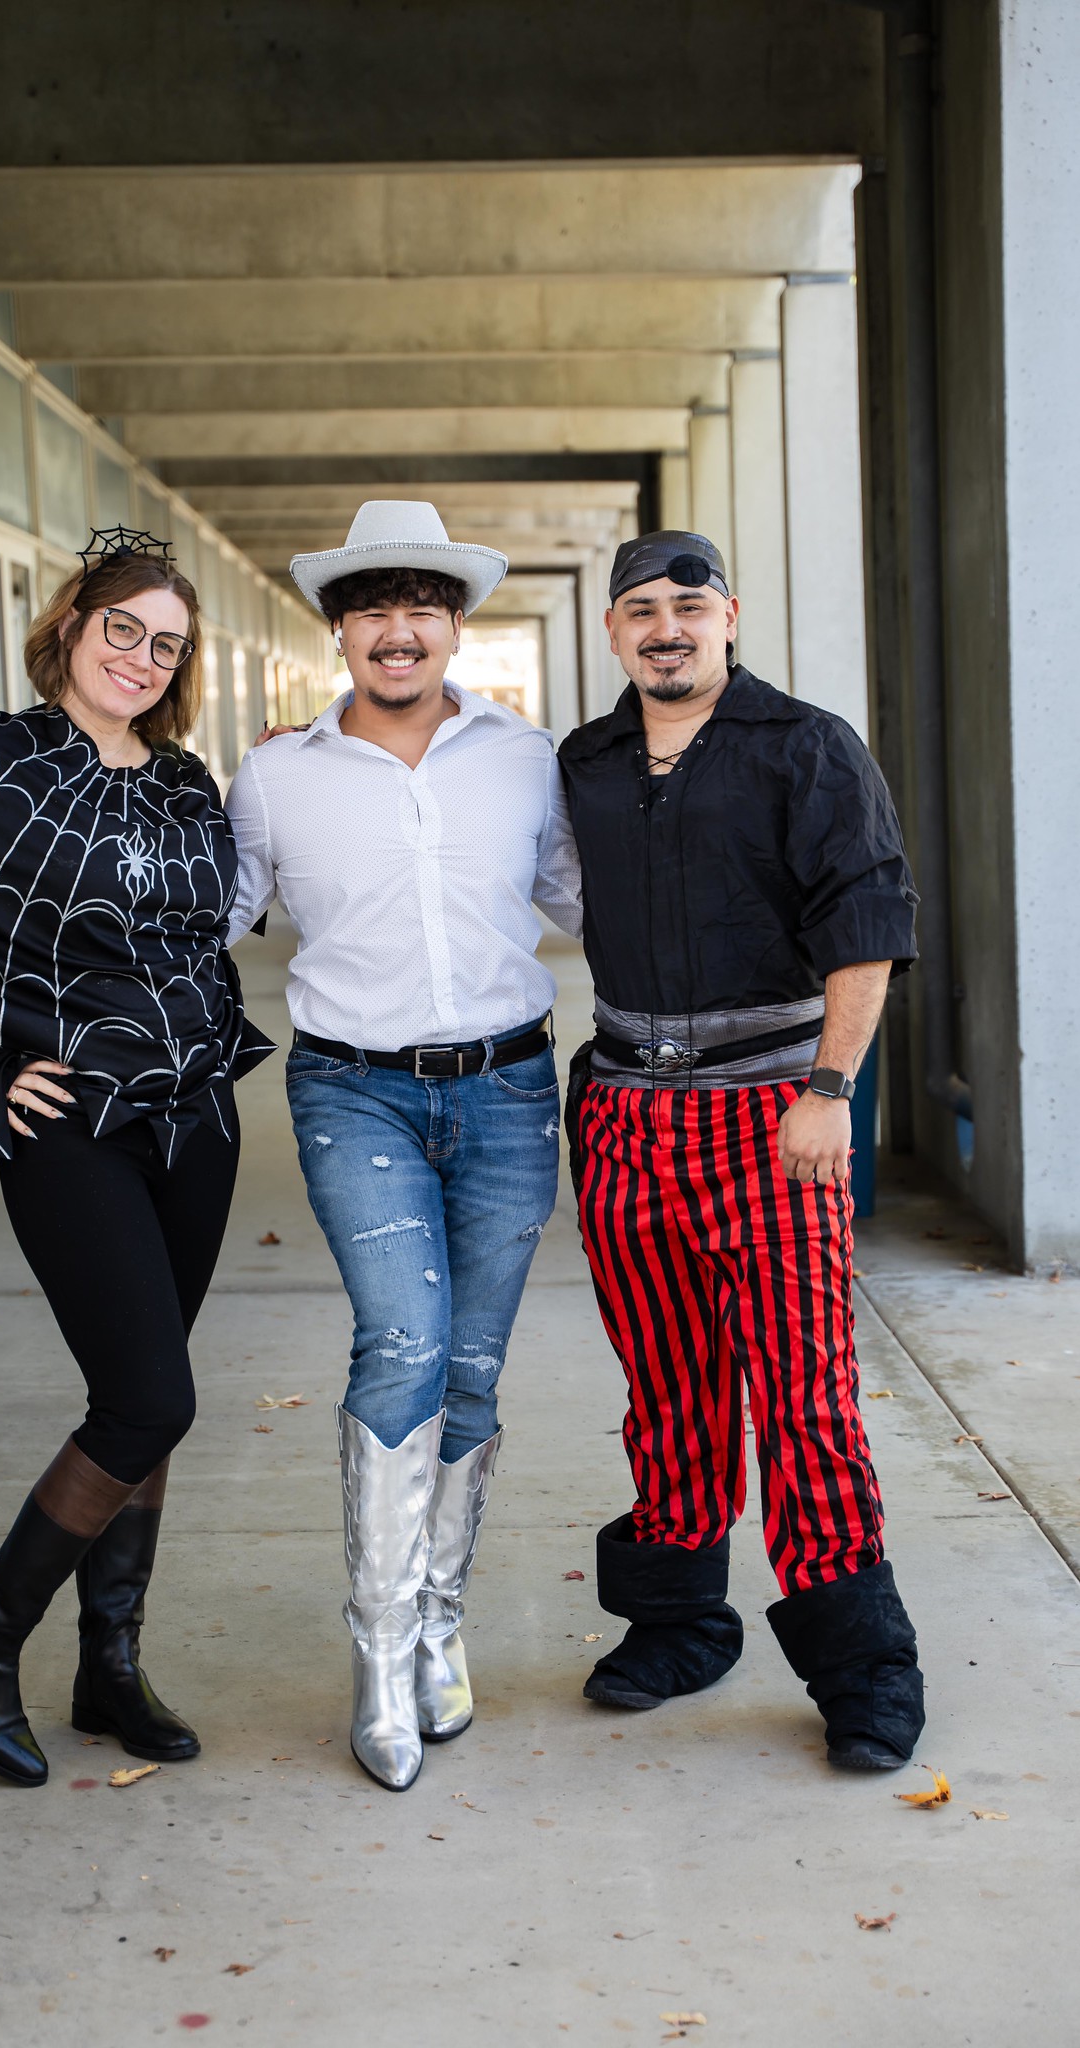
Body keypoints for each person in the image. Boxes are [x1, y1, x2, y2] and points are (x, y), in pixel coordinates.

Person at [0, 527, 269, 1788]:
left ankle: (108, 1664)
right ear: (72, 627)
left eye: (167, 642)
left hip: (196, 1117)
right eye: (122, 628)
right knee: (150, 1398)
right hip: (70, 1125)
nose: (142, 656)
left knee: (143, 1401)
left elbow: (212, 924)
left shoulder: (184, 780)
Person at [225, 500, 581, 1790]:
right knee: (407, 1344)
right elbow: (204, 918)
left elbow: (596, 898)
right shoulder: (276, 775)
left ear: (456, 624)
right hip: (354, 1093)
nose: (397, 626)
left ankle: (439, 1622)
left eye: (421, 603)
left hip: (507, 1093)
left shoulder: (527, 759)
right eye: (370, 604)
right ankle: (378, 1653)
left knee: (473, 1369)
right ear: (338, 629)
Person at [558, 528, 926, 1773]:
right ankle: (679, 1623)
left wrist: (831, 1088)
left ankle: (864, 1666)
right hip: (624, 1113)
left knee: (804, 1395)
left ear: (729, 614)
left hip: (771, 1117)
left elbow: (867, 921)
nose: (666, 626)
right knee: (669, 1386)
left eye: (689, 603)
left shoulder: (808, 745)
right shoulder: (586, 760)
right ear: (613, 630)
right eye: (641, 608)